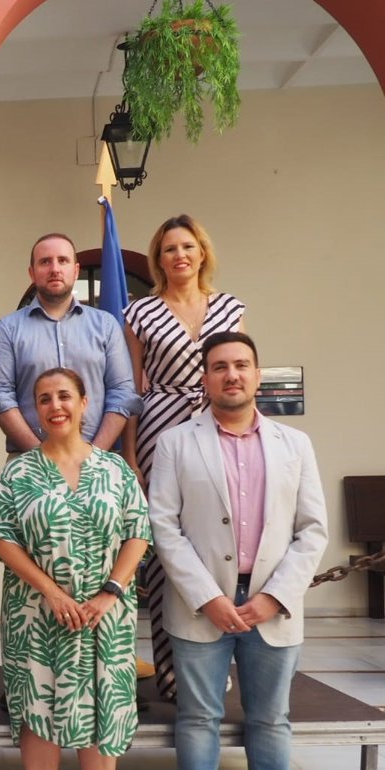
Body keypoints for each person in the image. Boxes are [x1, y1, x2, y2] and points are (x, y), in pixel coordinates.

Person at [149, 332, 329, 770]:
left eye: (242, 365)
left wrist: (275, 596)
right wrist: (207, 595)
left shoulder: (294, 444)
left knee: (270, 719)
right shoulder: (176, 443)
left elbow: (313, 529)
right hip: (202, 605)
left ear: (256, 374)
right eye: (220, 366)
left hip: (272, 605)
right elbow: (164, 524)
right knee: (198, 717)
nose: (232, 374)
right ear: (205, 378)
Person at [0, 367, 150, 770]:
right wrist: (51, 592)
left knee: (102, 712)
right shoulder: (19, 472)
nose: (55, 406)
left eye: (64, 396)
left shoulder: (115, 469)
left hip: (105, 617)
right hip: (36, 614)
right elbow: (0, 537)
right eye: (44, 399)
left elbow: (137, 532)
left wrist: (110, 591)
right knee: (40, 713)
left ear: (83, 402)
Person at [123, 215, 245, 702]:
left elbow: (239, 374)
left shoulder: (230, 307)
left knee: (216, 537)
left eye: (188, 247)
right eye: (170, 249)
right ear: (159, 259)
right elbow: (131, 389)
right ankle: (172, 672)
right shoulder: (141, 312)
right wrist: (131, 455)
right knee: (164, 543)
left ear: (202, 253)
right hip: (160, 426)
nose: (180, 256)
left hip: (218, 427)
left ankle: (215, 663)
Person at [0, 233, 141, 454]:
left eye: (63, 260)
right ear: (32, 273)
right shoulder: (8, 329)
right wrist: (40, 455)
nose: (54, 269)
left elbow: (122, 393)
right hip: (29, 461)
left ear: (75, 270)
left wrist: (94, 455)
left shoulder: (106, 325)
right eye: (45, 262)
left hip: (98, 459)